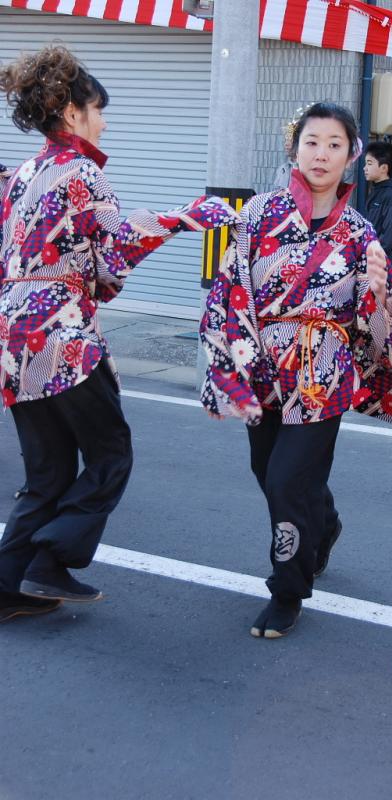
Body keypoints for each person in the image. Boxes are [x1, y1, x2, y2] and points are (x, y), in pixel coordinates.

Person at [0, 45, 236, 623]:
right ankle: (51, 561)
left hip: (10, 332)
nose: (105, 122)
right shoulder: (83, 172)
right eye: (100, 110)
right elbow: (117, 248)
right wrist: (187, 217)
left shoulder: (23, 172)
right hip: (61, 333)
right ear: (74, 112)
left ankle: (8, 586)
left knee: (47, 472)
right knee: (110, 455)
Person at [200, 102, 392, 640]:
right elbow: (229, 291)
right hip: (261, 366)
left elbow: (380, 327)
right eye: (312, 141)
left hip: (322, 376)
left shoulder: (359, 232)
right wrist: (232, 368)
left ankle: (287, 591)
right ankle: (323, 523)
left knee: (286, 480)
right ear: (294, 148)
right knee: (269, 473)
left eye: (334, 144)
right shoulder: (258, 213)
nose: (321, 153)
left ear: (352, 156)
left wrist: (378, 294)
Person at [364, 141, 392, 284]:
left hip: (386, 265)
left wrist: (368, 258)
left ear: (383, 168)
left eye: (369, 163)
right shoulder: (377, 190)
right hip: (374, 262)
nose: (365, 168)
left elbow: (390, 236)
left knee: (385, 305)